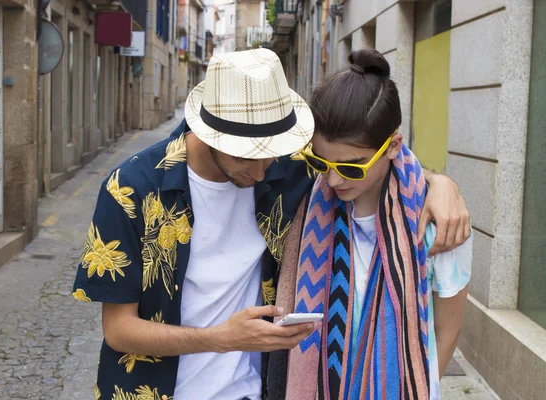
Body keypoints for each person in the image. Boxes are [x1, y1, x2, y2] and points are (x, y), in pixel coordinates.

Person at [71, 48, 470, 400]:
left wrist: (440, 184)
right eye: (247, 156)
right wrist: (220, 339)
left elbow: (370, 157)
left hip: (251, 391)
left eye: (272, 152)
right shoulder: (130, 189)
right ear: (210, 135)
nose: (263, 170)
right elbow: (118, 330)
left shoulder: (293, 166)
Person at [272, 49, 472, 400]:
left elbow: (446, 331)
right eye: (321, 161)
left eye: (351, 166)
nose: (333, 180)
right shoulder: (301, 195)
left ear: (393, 146)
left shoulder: (436, 221)